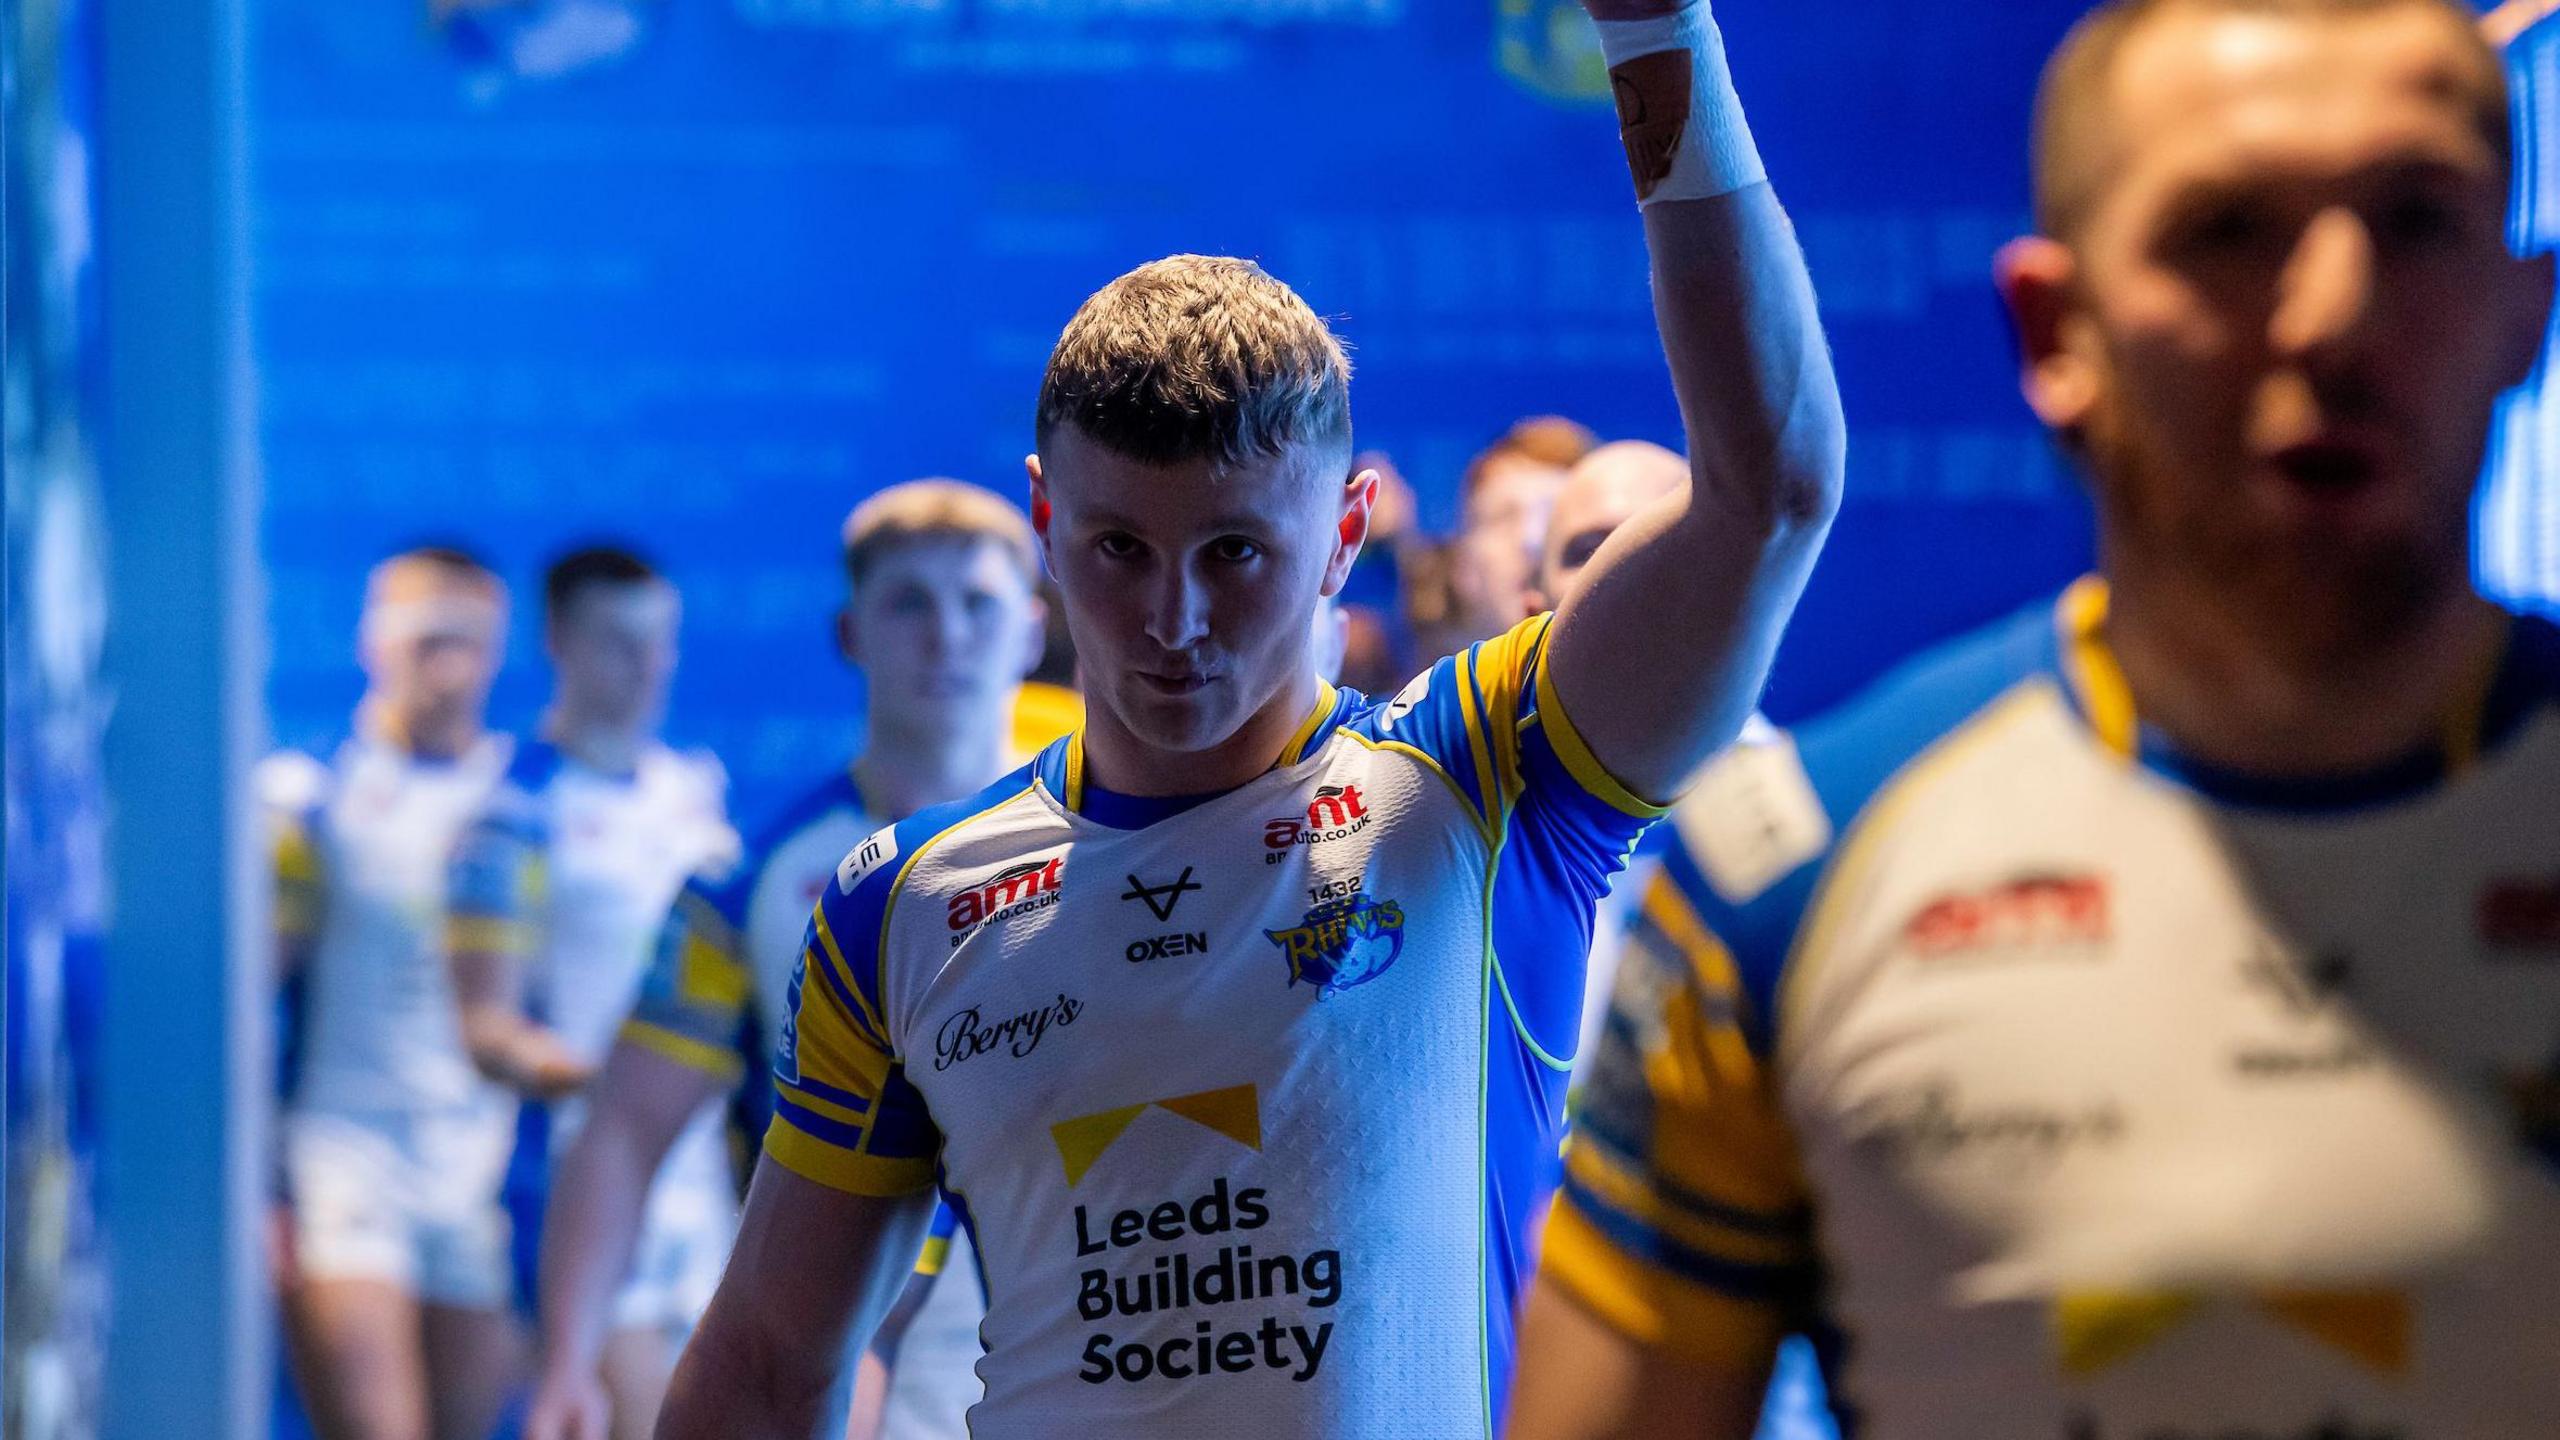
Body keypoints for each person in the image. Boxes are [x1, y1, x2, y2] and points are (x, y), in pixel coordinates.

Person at [658, 0, 1847, 1425]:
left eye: (1236, 554)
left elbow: (1769, 484)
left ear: (1346, 532)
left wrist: (1659, 34)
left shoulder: (1482, 775)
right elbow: (764, 1364)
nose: (1172, 622)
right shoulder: (899, 907)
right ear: (1046, 522)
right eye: (1118, 552)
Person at [1509, 2, 2560, 1436]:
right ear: (2054, 330)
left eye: (2418, 220)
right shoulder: (1791, 883)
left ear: (2527, 309)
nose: (2334, 317)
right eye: (2227, 230)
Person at [521, 481, 1060, 1440]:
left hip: (1087, 1359)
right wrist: (568, 1359)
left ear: (1030, 630)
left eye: (977, 603)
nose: (946, 635)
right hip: (839, 1377)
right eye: (909, 603)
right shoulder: (751, 878)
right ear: (850, 634)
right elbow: (621, 1132)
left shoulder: (1120, 842)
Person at [442, 547, 737, 1440]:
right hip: (580, 1180)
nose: (646, 667)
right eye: (618, 643)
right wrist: (622, 1097)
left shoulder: (695, 791)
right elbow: (486, 1027)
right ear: (559, 643)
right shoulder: (512, 811)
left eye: (660, 643)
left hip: (706, 1193)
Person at [262, 546, 524, 1440]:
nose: (442, 666)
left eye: (465, 640)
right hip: (344, 1160)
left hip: (478, 1173)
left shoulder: (524, 803)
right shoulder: (309, 802)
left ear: (497, 650)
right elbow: (250, 1005)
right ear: (372, 643)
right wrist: (256, 1190)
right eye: (421, 639)